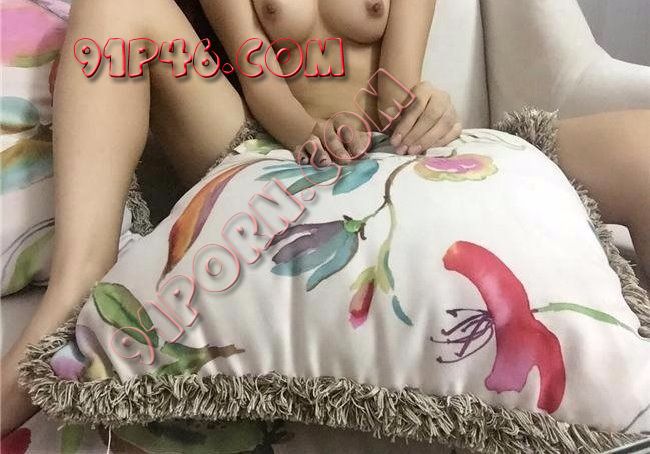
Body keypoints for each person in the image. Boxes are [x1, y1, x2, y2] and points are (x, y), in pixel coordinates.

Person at [1, 0, 648, 436]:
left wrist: (424, 108)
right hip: (263, 141)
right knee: (115, 3)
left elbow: (397, 85)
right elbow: (260, 80)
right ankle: (78, 280)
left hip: (388, 145)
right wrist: (310, 132)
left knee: (641, 145)